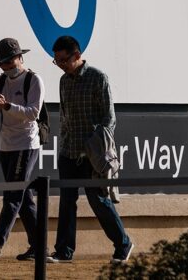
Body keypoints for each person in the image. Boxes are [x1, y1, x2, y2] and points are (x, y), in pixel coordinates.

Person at [48, 35, 133, 264]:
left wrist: (98, 145)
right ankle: (64, 251)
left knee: (99, 201)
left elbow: (110, 118)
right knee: (67, 202)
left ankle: (123, 243)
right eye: (56, 61)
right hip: (68, 151)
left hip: (92, 154)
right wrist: (64, 140)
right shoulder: (63, 81)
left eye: (64, 60)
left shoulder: (98, 78)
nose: (60, 66)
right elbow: (65, 115)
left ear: (77, 55)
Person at [0, 37, 45, 261]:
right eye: (2, 63)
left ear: (20, 57)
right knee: (23, 198)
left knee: (14, 194)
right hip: (5, 145)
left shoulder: (34, 80)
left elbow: (33, 113)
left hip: (26, 143)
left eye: (9, 62)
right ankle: (39, 247)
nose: (6, 67)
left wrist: (6, 105)